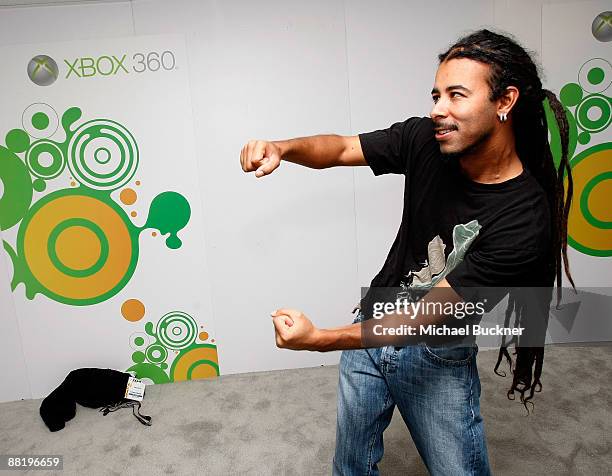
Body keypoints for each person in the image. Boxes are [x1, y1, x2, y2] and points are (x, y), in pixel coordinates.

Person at [240, 29, 574, 476]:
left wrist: (320, 340)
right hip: (370, 323)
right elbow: (340, 147)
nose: (438, 109)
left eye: (456, 95)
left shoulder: (525, 215)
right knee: (350, 466)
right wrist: (283, 147)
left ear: (504, 102)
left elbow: (422, 319)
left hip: (435, 350)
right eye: (436, 94)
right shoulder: (425, 139)